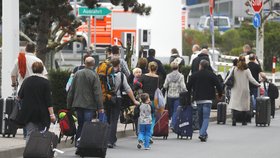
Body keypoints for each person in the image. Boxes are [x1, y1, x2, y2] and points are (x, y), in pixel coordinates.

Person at [11, 42, 48, 139]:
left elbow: (13, 74)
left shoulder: (19, 60)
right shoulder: (38, 60)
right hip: (37, 90)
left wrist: (14, 85)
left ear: (26, 49)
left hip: (23, 90)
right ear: (34, 50)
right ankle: (35, 134)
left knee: (24, 111)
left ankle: (26, 133)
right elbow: (45, 75)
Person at [67, 57, 104, 147]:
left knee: (80, 124)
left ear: (84, 63)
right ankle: (84, 143)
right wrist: (100, 107)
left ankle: (78, 142)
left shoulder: (77, 74)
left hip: (78, 104)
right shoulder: (94, 75)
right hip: (89, 105)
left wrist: (68, 105)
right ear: (93, 64)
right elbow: (97, 93)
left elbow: (71, 90)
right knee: (87, 124)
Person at [17, 62, 55, 143]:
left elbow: (19, 96)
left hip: (28, 113)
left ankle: (29, 152)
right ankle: (40, 151)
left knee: (30, 134)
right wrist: (52, 115)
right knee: (42, 134)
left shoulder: (26, 81)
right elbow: (49, 101)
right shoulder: (46, 82)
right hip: (42, 113)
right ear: (42, 70)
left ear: (32, 70)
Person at [187, 60, 223, 142]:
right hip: (208, 99)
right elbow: (218, 85)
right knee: (206, 117)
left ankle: (202, 133)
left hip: (198, 99)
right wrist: (220, 94)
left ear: (200, 65)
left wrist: (190, 94)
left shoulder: (195, 75)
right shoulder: (212, 75)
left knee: (200, 117)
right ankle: (202, 133)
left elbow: (188, 86)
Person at [107, 58, 139, 148]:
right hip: (117, 99)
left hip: (106, 99)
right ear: (119, 65)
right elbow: (128, 89)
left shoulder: (106, 73)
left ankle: (105, 139)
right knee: (114, 120)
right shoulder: (121, 75)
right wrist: (134, 100)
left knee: (107, 119)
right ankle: (111, 140)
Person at [225, 56, 260, 126]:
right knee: (244, 105)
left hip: (235, 89)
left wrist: (224, 82)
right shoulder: (247, 70)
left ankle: (234, 120)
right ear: (245, 61)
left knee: (234, 105)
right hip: (245, 90)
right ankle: (244, 121)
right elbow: (251, 79)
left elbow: (228, 77)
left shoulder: (234, 69)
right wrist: (258, 84)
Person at [138, 61, 159, 143]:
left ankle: (141, 135)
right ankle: (149, 134)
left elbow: (137, 85)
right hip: (153, 100)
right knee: (152, 117)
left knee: (143, 116)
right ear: (156, 68)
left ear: (149, 68)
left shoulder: (143, 76)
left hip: (144, 99)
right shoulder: (158, 78)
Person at [163, 61, 187, 128]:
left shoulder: (168, 76)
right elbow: (183, 86)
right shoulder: (181, 76)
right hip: (177, 95)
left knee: (170, 111)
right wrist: (186, 91)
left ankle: (171, 122)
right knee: (175, 111)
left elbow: (165, 85)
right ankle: (173, 124)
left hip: (170, 96)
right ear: (178, 67)